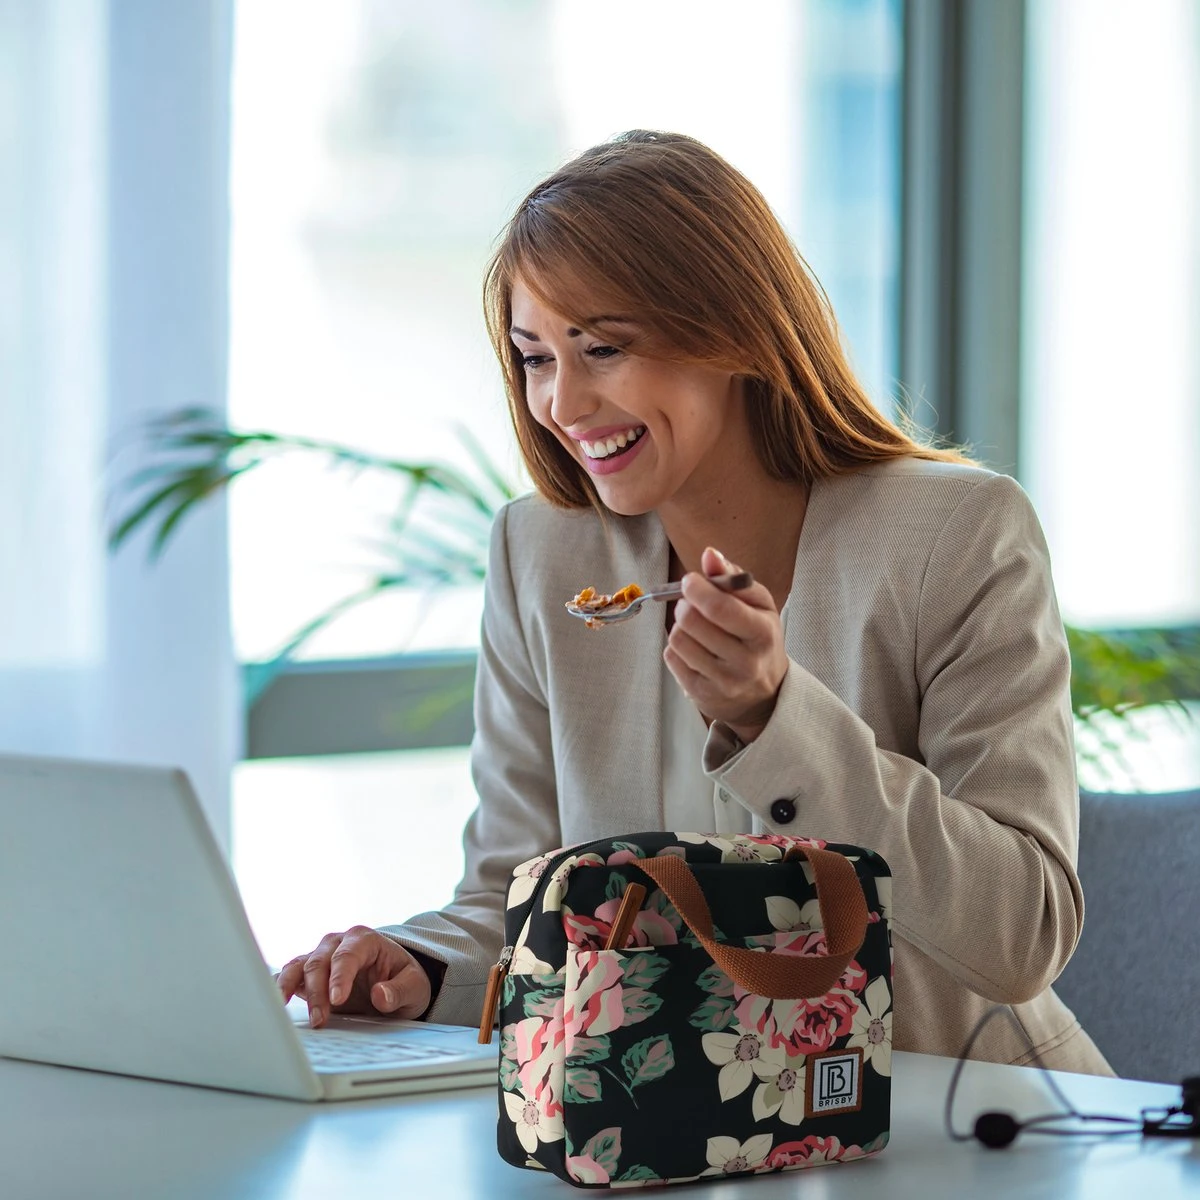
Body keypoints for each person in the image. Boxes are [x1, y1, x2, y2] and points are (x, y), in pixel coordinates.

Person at [277, 130, 1111, 1074]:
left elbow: (1022, 931)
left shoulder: (957, 535)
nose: (561, 402)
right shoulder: (541, 552)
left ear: (734, 330)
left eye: (601, 348)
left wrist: (774, 720)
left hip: (968, 1124)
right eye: (536, 357)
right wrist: (421, 968)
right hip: (677, 1137)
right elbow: (517, 904)